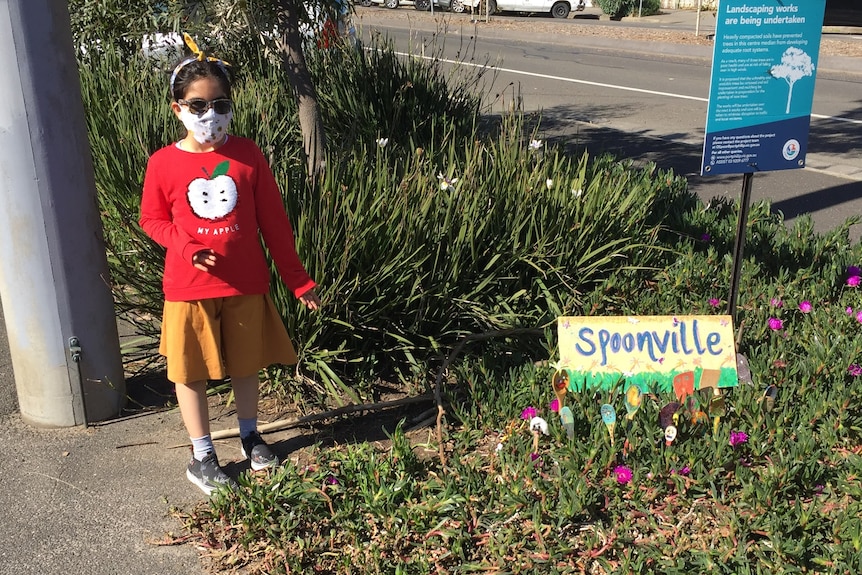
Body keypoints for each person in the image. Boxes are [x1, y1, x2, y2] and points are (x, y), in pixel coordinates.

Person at [139, 34, 321, 495]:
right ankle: (202, 456)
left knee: (246, 364)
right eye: (198, 105)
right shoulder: (162, 163)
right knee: (190, 370)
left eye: (220, 104)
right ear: (177, 108)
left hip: (245, 283)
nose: (210, 115)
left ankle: (248, 435)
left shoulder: (247, 155)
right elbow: (152, 219)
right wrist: (184, 246)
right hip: (189, 287)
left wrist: (297, 281)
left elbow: (274, 224)